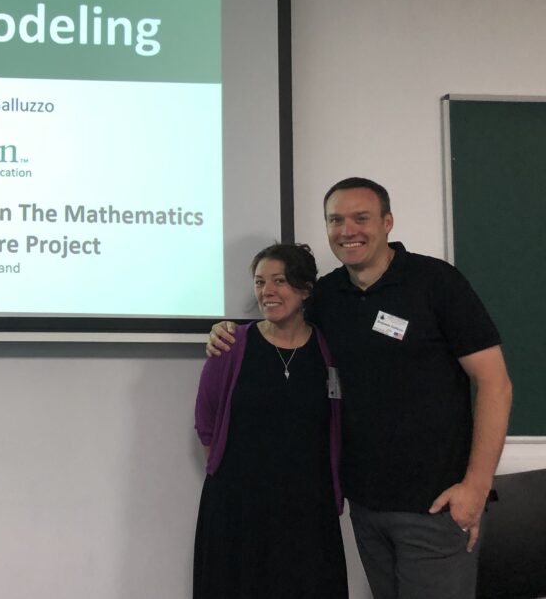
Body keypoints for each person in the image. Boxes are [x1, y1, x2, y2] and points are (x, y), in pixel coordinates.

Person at [208, 177, 513, 599]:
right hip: (366, 509)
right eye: (336, 220)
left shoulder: (436, 283)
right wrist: (225, 330)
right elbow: (279, 317)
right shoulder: (328, 296)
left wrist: (476, 487)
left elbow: (494, 382)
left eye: (361, 218)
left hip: (437, 507)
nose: (347, 230)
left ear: (387, 222)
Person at [193, 243, 348, 598]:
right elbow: (206, 424)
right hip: (238, 508)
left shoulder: (328, 349)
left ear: (306, 289)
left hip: (308, 509)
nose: (268, 291)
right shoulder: (231, 345)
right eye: (260, 282)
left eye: (280, 281)